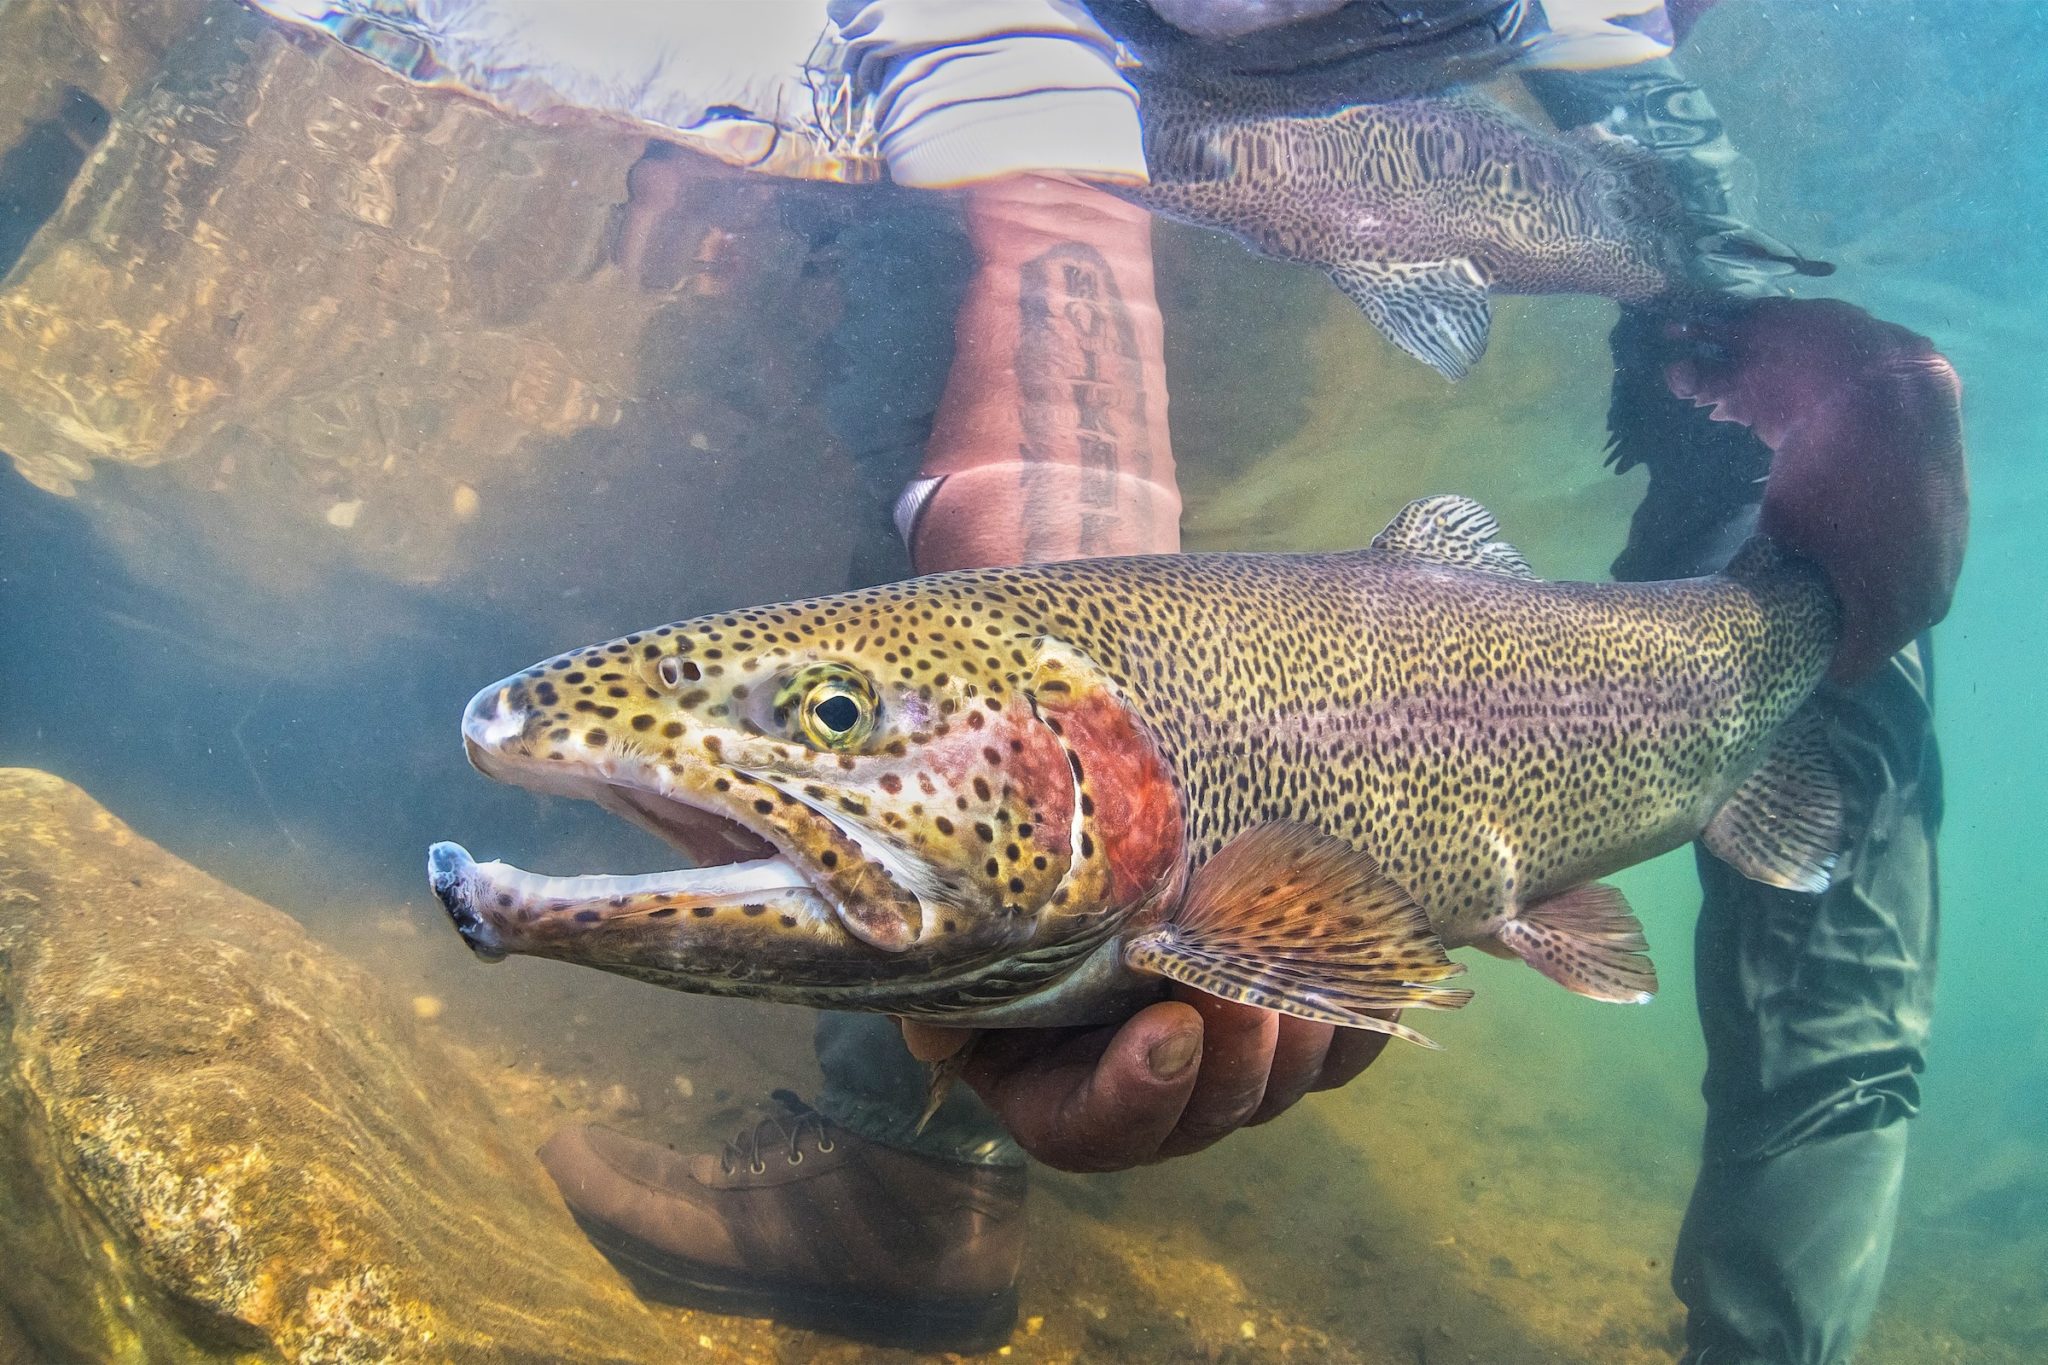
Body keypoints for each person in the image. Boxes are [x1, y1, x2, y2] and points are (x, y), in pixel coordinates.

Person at [279, 2, 1944, 1359]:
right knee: (961, 532)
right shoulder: (993, 45)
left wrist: (1850, 370)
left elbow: (1689, 185)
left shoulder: (1587, 39)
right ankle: (909, 1179)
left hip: (1704, 537)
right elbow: (1054, 272)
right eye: (834, 719)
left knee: (1849, 659)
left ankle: (1778, 1339)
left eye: (839, 721)